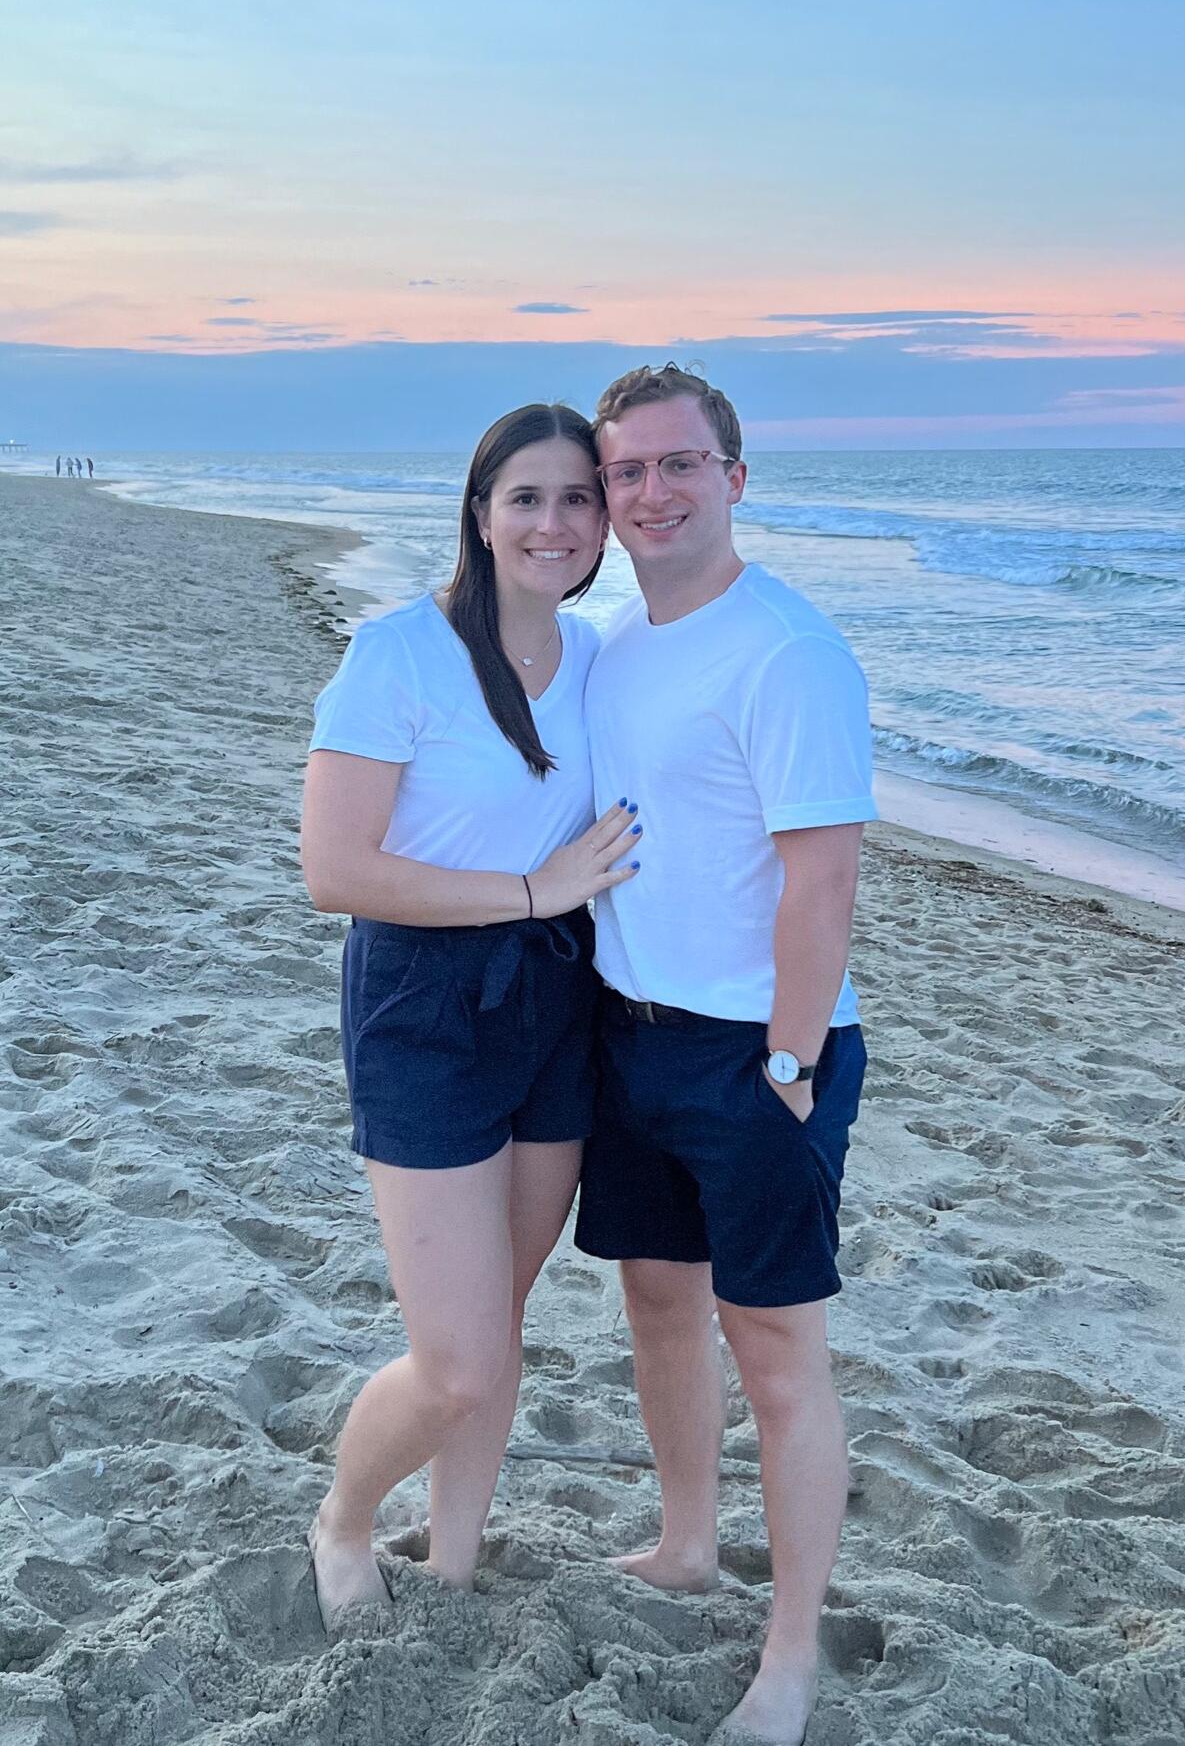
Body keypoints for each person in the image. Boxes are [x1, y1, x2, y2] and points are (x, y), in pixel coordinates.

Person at [299, 402, 642, 1625]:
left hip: (557, 993)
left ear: (604, 519)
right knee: (454, 1362)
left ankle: (448, 1557)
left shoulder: (600, 652)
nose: (555, 523)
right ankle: (342, 1523)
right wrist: (531, 887)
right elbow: (334, 868)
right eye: (527, 499)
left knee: (497, 1320)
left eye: (578, 499)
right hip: (424, 999)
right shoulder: (398, 651)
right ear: (481, 515)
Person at [575, 364, 875, 1746]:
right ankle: (687, 1539)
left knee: (776, 1352)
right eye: (626, 471)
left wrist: (788, 1062)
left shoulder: (787, 650)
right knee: (653, 1302)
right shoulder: (621, 646)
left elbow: (822, 881)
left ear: (735, 477)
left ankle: (793, 1653)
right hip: (629, 1032)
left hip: (761, 1052)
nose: (651, 492)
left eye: (679, 464)